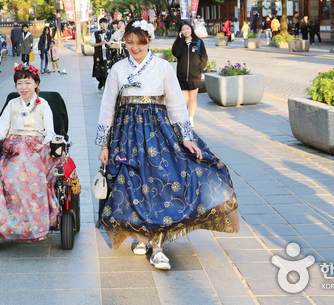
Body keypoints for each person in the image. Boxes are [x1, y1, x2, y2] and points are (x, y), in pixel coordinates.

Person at [96, 19, 239, 270]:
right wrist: (104, 145)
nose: (134, 48)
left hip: (157, 130)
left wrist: (186, 138)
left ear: (149, 41)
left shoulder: (162, 67)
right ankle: (141, 236)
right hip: (126, 133)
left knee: (159, 182)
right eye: (129, 43)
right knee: (131, 184)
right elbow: (108, 106)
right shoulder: (118, 68)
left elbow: (174, 104)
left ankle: (157, 244)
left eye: (139, 42)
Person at [0, 64, 64, 244]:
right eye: (19, 83)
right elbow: (1, 129)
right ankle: (10, 221)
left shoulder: (43, 104)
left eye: (28, 82)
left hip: (37, 145)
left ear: (36, 83)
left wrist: (41, 146)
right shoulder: (12, 104)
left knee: (25, 166)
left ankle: (32, 221)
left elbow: (50, 132)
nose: (23, 87)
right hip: (13, 146)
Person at [171, 21, 207, 127]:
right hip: (182, 76)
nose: (186, 31)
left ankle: (190, 119)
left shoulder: (198, 42)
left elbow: (204, 58)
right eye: (183, 29)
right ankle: (184, 118)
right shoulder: (180, 43)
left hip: (195, 76)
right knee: (184, 100)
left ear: (191, 29)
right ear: (180, 31)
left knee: (193, 99)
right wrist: (180, 40)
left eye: (187, 28)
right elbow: (176, 53)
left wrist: (199, 69)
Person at [90, 17, 110, 90]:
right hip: (98, 54)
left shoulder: (109, 33)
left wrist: (107, 43)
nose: (103, 24)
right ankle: (100, 81)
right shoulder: (96, 33)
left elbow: (112, 42)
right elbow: (91, 43)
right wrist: (99, 44)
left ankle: (104, 83)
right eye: (102, 23)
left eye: (105, 23)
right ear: (100, 24)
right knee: (98, 69)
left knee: (106, 69)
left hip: (107, 54)